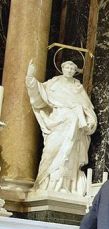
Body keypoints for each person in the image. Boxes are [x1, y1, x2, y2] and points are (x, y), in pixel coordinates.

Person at [25, 60, 96, 195]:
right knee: (51, 152)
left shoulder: (78, 88)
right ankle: (45, 183)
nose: (69, 70)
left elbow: (88, 108)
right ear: (62, 68)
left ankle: (65, 185)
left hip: (75, 127)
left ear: (75, 71)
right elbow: (39, 92)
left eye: (72, 68)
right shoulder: (54, 83)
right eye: (67, 67)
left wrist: (91, 120)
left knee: (69, 157)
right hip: (58, 121)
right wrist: (30, 78)